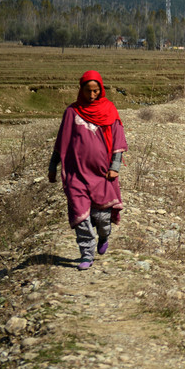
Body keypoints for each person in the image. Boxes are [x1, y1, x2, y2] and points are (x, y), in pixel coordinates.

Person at [49, 70, 127, 269]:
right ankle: (86, 253)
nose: (92, 95)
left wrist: (115, 167)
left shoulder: (109, 110)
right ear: (81, 90)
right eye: (88, 91)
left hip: (102, 174)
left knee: (102, 217)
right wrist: (52, 166)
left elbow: (118, 138)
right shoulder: (71, 112)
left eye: (95, 91)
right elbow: (61, 142)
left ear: (101, 90)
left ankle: (103, 237)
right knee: (80, 214)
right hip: (76, 174)